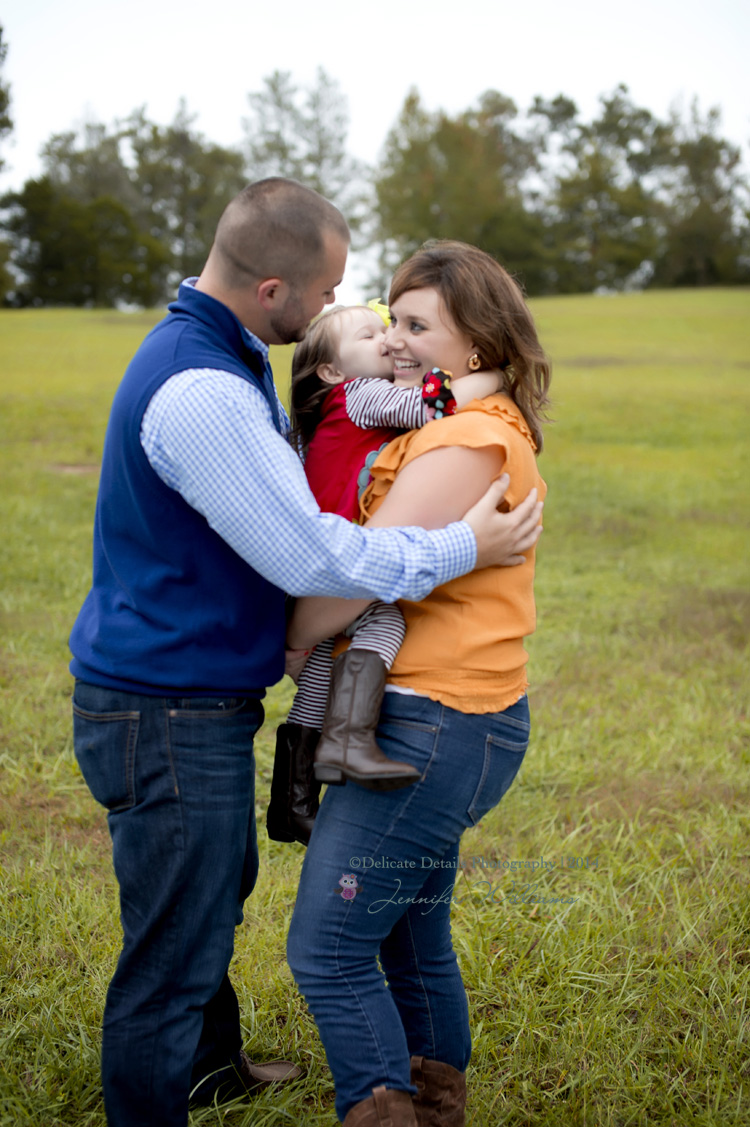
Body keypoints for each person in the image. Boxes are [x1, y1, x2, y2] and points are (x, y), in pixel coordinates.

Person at [68, 180, 543, 1127]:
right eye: (333, 292)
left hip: (229, 695)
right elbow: (314, 560)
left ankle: (212, 1070)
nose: (348, 314)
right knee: (178, 936)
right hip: (164, 702)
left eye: (408, 321)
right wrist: (462, 547)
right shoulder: (203, 384)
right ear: (276, 287)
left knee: (212, 902)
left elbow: (330, 563)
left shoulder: (228, 352)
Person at [285, 239, 550, 1126]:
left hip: (434, 721)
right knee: (406, 930)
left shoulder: (470, 437)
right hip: (454, 717)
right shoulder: (459, 419)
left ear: (476, 340)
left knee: (325, 946)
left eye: (415, 324)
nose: (396, 340)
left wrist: (287, 646)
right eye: (390, 320)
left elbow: (361, 573)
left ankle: (384, 1106)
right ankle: (433, 1099)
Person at [267, 302, 503, 845]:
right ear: (331, 369)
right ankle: (347, 742)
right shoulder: (360, 395)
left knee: (325, 659)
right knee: (386, 623)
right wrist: (490, 377)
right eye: (371, 334)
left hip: (315, 555)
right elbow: (432, 407)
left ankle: (293, 799)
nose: (387, 341)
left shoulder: (326, 409)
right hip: (343, 553)